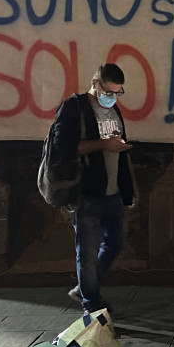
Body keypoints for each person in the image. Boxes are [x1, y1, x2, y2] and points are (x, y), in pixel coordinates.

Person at [53, 62, 134, 314]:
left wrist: (127, 189)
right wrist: (103, 145)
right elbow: (63, 148)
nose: (113, 98)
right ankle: (92, 304)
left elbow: (116, 149)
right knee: (86, 253)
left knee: (115, 243)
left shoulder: (113, 110)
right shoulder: (74, 107)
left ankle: (84, 288)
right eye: (109, 92)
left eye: (118, 93)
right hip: (87, 192)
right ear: (96, 84)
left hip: (113, 191)